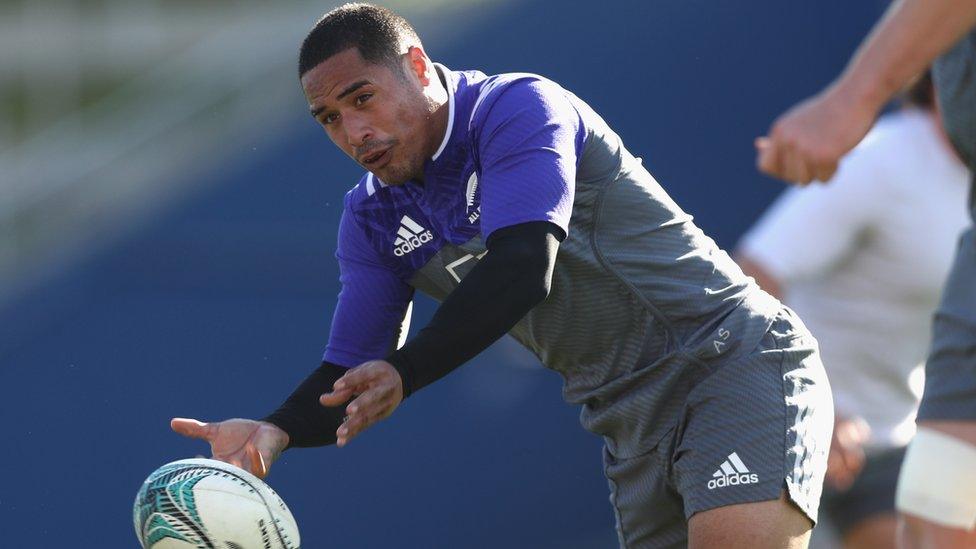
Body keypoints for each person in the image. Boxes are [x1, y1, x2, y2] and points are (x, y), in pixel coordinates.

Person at [172, 4, 832, 547]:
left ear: (419, 67)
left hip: (724, 359)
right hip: (626, 418)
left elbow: (523, 267)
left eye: (361, 98)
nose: (353, 130)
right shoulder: (371, 215)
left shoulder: (517, 108)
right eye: (330, 118)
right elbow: (353, 365)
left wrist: (406, 372)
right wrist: (277, 429)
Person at [754, 1, 976, 546]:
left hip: (893, 442)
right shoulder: (884, 159)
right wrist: (809, 404)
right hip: (795, 431)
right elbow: (750, 278)